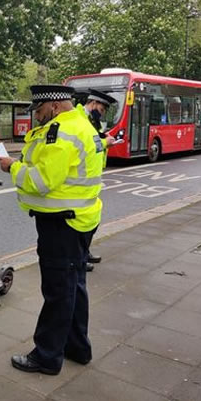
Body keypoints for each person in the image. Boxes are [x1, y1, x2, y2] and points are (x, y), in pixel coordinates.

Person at [0, 85, 105, 375]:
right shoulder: (83, 125)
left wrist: (12, 167)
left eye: (40, 109)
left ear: (55, 106)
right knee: (74, 287)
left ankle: (46, 356)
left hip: (62, 225)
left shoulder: (61, 132)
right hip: (80, 220)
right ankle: (78, 348)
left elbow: (41, 181)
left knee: (58, 291)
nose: (37, 115)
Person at [81, 89, 117, 271]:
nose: (102, 113)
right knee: (82, 221)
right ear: (94, 103)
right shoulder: (81, 119)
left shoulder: (94, 121)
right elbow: (89, 144)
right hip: (82, 175)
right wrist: (105, 143)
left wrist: (105, 139)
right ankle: (80, 258)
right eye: (102, 109)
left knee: (92, 220)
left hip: (93, 175)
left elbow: (96, 139)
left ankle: (84, 252)